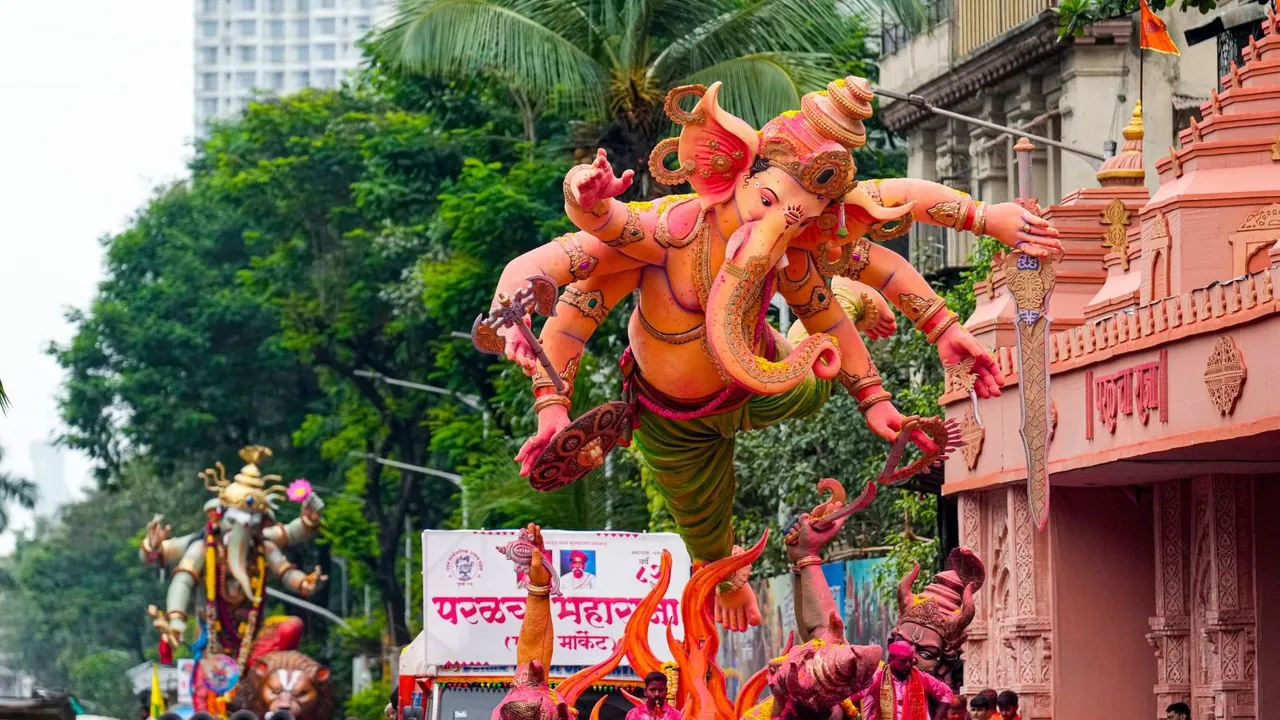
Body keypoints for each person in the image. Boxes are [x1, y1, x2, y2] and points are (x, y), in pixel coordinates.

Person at [860, 640, 953, 720]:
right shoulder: (878, 677)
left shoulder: (922, 678)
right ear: (891, 660)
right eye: (903, 661)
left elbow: (946, 693)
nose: (908, 665)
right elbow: (858, 696)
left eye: (910, 660)